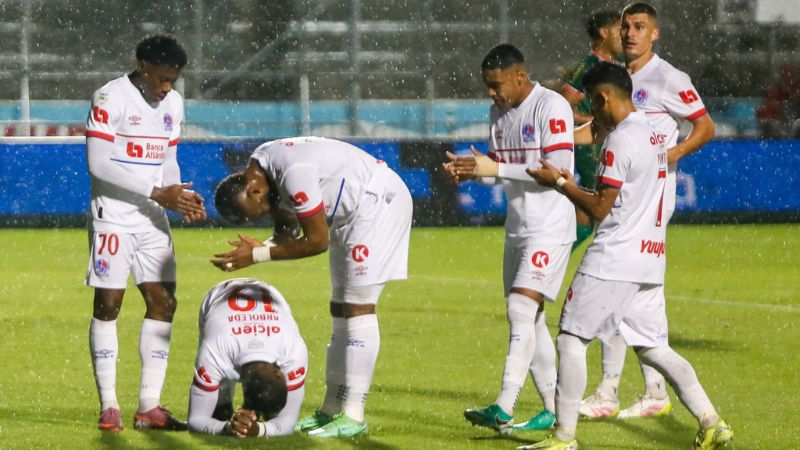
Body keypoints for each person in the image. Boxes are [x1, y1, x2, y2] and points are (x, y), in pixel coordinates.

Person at [522, 61, 731, 450]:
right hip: (650, 258)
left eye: (593, 106)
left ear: (603, 98)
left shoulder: (619, 141)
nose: (593, 116)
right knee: (653, 347)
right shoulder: (654, 134)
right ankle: (711, 419)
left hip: (614, 258)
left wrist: (562, 182)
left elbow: (600, 208)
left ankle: (563, 437)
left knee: (571, 339)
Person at [212, 136, 412, 438]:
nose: (265, 214)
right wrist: (262, 248)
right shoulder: (263, 170)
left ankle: (354, 415)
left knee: (358, 306)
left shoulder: (293, 174)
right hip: (353, 213)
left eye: (259, 211)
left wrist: (256, 255)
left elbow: (317, 241)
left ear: (253, 190)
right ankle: (331, 409)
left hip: (377, 202)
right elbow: (286, 230)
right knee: (341, 308)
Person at [576, 1, 717, 421]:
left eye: (639, 26)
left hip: (643, 204)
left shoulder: (668, 77)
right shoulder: (618, 80)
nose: (630, 33)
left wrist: (666, 156)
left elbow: (705, 126)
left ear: (655, 33)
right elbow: (598, 130)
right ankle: (653, 390)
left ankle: (607, 391)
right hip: (624, 196)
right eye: (625, 27)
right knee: (637, 296)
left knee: (613, 285)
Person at [444, 43, 575, 434]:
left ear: (520, 75)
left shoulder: (550, 106)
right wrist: (472, 170)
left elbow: (561, 169)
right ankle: (552, 410)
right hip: (517, 229)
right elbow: (495, 171)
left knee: (520, 309)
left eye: (496, 84)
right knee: (531, 321)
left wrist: (495, 165)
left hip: (550, 226)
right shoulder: (498, 113)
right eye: (486, 86)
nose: (490, 93)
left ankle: (504, 405)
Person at [85, 34, 206, 432]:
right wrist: (156, 192)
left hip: (152, 216)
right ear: (142, 66)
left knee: (163, 303)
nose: (167, 88)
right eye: (162, 79)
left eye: (173, 80)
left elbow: (167, 159)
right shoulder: (110, 98)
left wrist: (181, 194)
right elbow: (99, 164)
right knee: (109, 305)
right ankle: (109, 405)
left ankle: (149, 406)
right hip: (113, 216)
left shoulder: (173, 103)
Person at [187, 278, 308, 437]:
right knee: (220, 413)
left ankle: (259, 410)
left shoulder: (294, 351)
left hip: (270, 295)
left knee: (274, 413)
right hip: (218, 297)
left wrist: (259, 430)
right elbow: (196, 419)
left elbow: (288, 422)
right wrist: (228, 428)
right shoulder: (214, 352)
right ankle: (237, 407)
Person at [559, 10, 623, 252]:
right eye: (619, 29)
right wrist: (595, 119)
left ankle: (548, 262)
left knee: (588, 218)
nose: (623, 35)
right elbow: (562, 106)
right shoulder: (589, 66)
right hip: (593, 148)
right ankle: (546, 262)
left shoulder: (618, 66)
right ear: (604, 33)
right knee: (600, 211)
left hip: (612, 145)